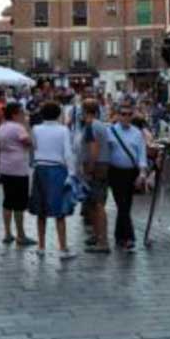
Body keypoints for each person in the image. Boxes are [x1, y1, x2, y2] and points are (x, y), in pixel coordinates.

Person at [29, 101, 77, 259]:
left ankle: (41, 246)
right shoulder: (63, 130)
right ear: (58, 114)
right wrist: (72, 172)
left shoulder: (35, 129)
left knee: (40, 211)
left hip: (40, 169)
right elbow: (68, 153)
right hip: (57, 170)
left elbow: (33, 149)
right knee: (60, 211)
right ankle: (62, 248)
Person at [107, 103, 149, 251]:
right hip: (115, 172)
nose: (126, 117)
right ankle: (130, 238)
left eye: (129, 114)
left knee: (126, 205)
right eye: (123, 114)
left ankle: (119, 236)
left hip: (131, 173)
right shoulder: (110, 131)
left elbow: (142, 155)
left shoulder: (137, 133)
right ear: (117, 116)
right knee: (122, 205)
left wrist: (142, 174)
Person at [0, 102, 35, 247]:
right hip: (18, 168)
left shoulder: (2, 126)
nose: (23, 115)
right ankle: (21, 234)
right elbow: (30, 142)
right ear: (15, 114)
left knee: (7, 200)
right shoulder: (18, 128)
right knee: (19, 203)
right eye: (21, 112)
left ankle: (7, 233)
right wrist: (26, 125)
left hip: (5, 166)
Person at [78, 99, 112, 253]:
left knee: (98, 204)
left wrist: (90, 168)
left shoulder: (91, 125)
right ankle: (98, 236)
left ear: (85, 111)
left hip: (96, 167)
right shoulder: (99, 125)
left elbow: (94, 149)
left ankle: (103, 241)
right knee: (93, 204)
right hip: (100, 165)